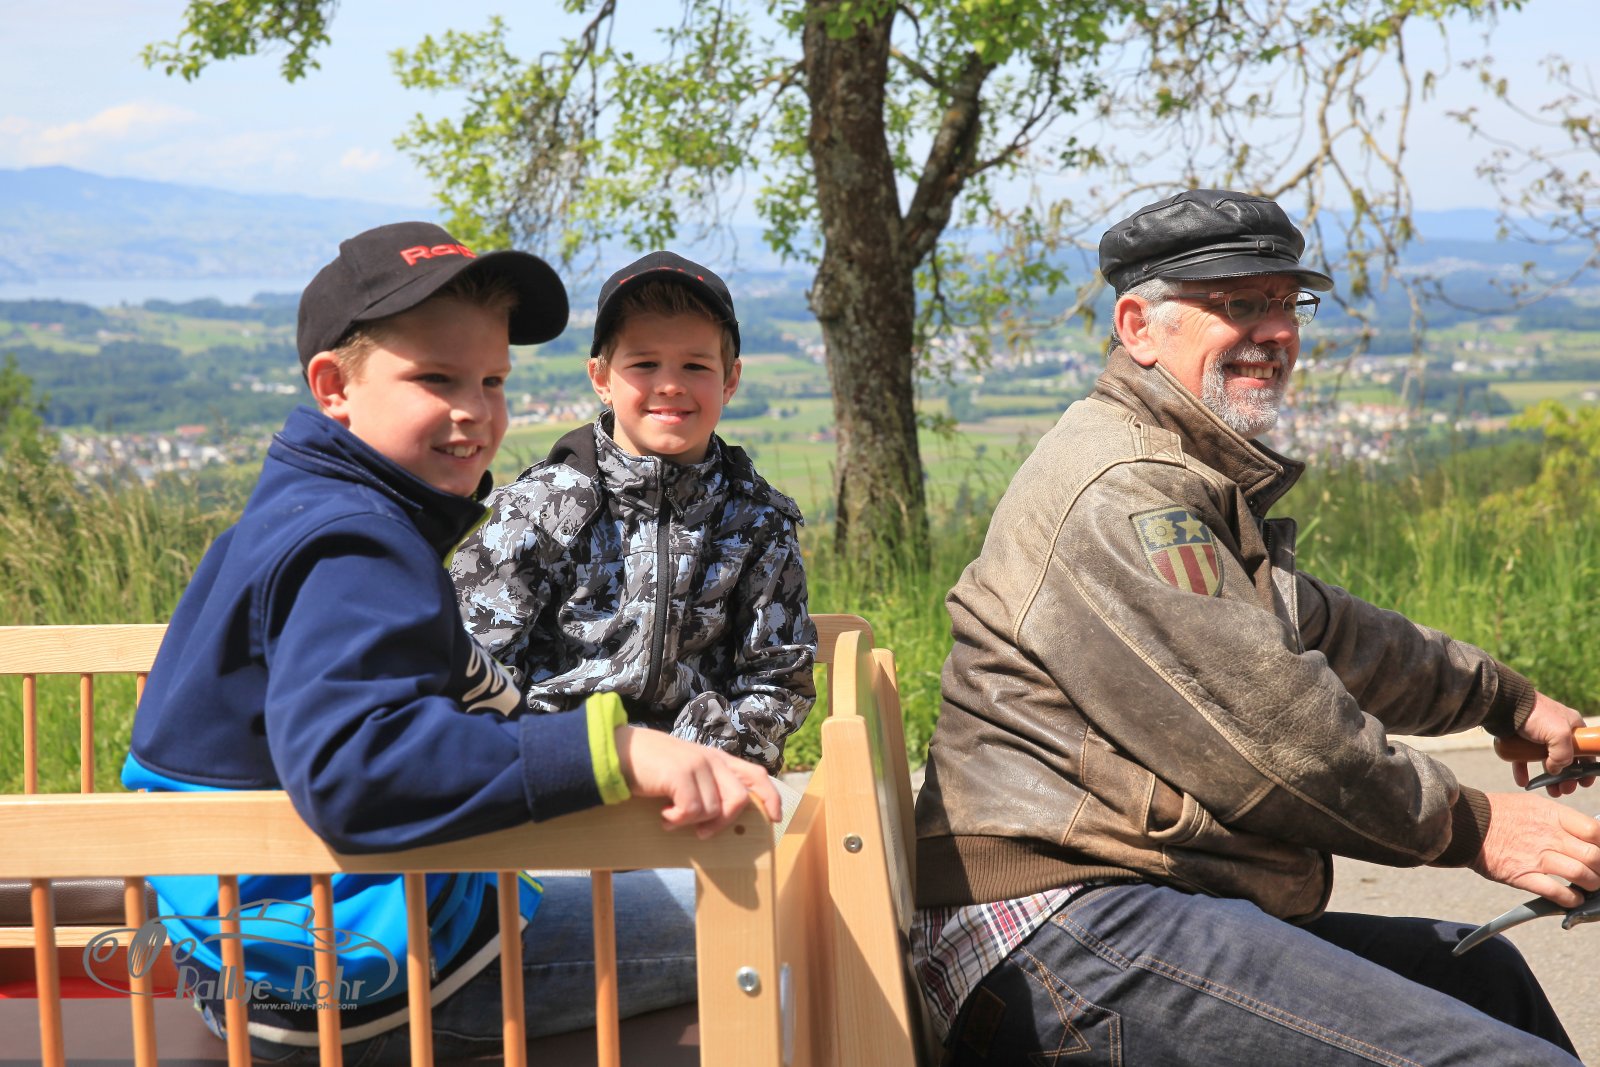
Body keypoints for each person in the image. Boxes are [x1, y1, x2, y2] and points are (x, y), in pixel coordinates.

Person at [910, 189, 1600, 1066]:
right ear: (1138, 327)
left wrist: (1507, 700)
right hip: (1056, 933)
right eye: (1238, 303)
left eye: (1287, 303)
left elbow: (1327, 633)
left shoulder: (1177, 469)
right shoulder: (1125, 491)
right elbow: (1281, 736)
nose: (1274, 331)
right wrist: (1477, 826)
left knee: (1485, 976)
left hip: (1124, 901)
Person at [121, 222, 780, 1063]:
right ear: (334, 386)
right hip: (352, 971)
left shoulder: (308, 511)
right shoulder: (352, 547)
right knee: (769, 908)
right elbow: (357, 768)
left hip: (282, 940)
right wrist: (617, 752)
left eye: (492, 379)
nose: (475, 411)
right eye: (436, 378)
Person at [451, 250, 816, 778]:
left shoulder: (758, 520)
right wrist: (570, 762)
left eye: (695, 366)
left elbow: (778, 677)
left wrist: (697, 761)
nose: (670, 385)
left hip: (704, 779)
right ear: (601, 377)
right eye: (644, 364)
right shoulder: (533, 512)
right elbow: (479, 668)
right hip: (557, 777)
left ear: (730, 380)